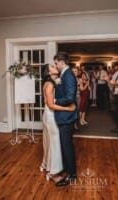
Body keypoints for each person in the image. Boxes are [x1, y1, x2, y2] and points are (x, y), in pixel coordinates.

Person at [40, 64, 76, 183]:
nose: (55, 66)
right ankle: (53, 173)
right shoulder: (50, 84)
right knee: (54, 144)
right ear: (48, 72)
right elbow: (50, 104)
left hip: (48, 114)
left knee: (49, 141)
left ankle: (45, 164)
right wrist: (68, 109)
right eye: (52, 66)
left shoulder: (51, 82)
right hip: (50, 115)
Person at [53, 52, 78, 186]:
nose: (56, 66)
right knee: (65, 145)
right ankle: (68, 170)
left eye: (56, 63)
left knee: (67, 146)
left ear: (62, 62)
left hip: (67, 117)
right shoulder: (64, 74)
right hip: (64, 116)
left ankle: (72, 175)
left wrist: (55, 100)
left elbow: (70, 98)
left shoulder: (68, 75)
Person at [71, 66, 81, 131]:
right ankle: (71, 125)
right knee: (71, 111)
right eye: (73, 71)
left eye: (76, 71)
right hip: (71, 97)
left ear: (78, 72)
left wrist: (80, 85)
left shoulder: (79, 79)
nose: (74, 72)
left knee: (77, 111)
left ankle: (75, 125)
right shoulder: (70, 79)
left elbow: (81, 89)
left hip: (78, 96)